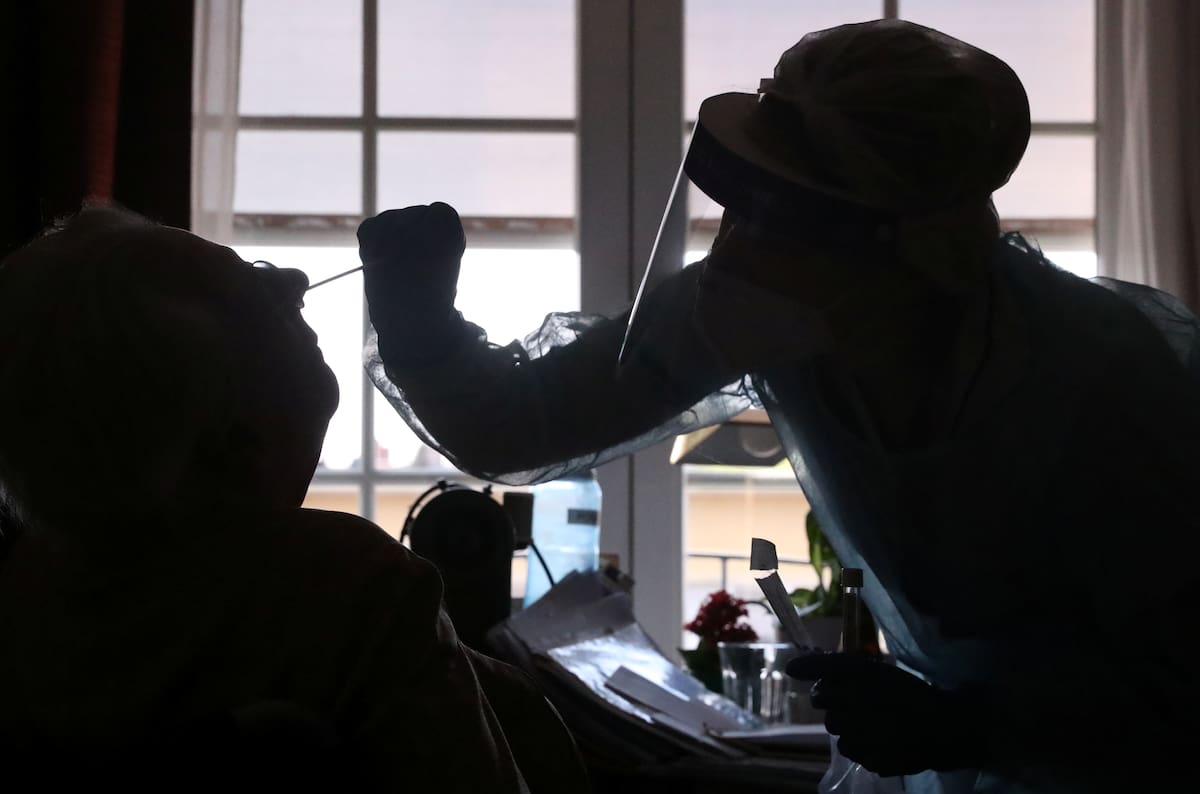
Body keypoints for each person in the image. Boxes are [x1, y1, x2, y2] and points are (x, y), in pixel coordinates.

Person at [358, 19, 1200, 794]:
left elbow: (1176, 687)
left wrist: (964, 724)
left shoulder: (1102, 380)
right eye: (741, 200)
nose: (739, 245)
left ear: (905, 234)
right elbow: (519, 426)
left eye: (782, 211)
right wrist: (417, 318)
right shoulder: (772, 306)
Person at [0, 206, 587, 792]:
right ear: (230, 438)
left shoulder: (29, 586)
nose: (294, 280)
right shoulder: (348, 583)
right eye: (252, 293)